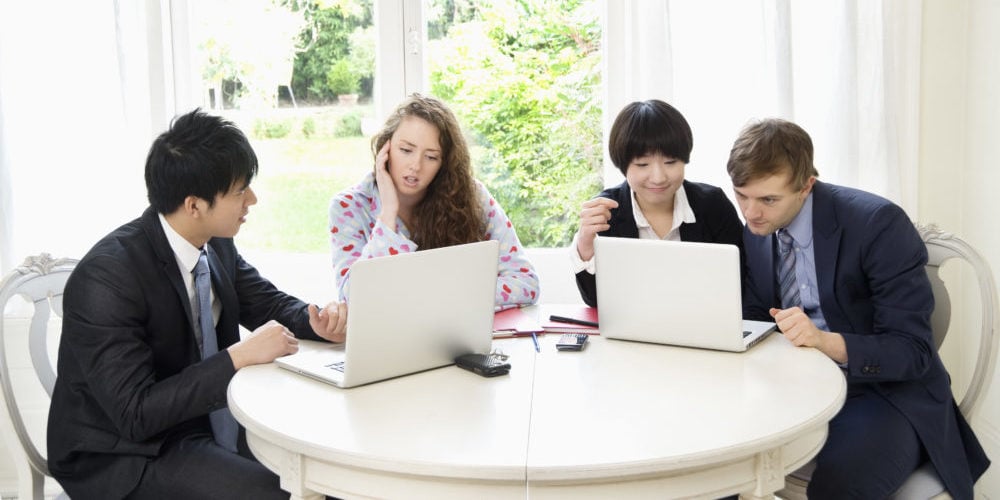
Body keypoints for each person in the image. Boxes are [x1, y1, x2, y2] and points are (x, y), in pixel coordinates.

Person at [47, 109, 348, 500]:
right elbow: (135, 415)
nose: (252, 200)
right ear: (194, 205)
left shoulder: (215, 241)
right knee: (281, 493)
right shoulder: (108, 278)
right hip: (123, 453)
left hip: (200, 420)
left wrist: (316, 321)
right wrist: (237, 358)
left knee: (328, 471)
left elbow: (262, 300)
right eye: (240, 190)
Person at [727, 118, 990, 499]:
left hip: (882, 394)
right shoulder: (757, 227)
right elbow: (755, 312)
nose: (750, 213)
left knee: (840, 487)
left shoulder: (877, 224)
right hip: (794, 387)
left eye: (768, 199)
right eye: (741, 195)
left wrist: (823, 341)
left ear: (806, 186)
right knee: (715, 460)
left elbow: (912, 351)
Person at [328, 93, 539, 309]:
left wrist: (439, 295)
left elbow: (526, 283)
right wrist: (388, 214)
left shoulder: (472, 195)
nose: (416, 166)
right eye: (406, 150)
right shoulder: (348, 206)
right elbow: (354, 300)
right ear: (385, 147)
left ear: (444, 163)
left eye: (431, 157)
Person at [572, 99, 744, 306]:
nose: (658, 177)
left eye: (670, 162)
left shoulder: (712, 205)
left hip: (702, 326)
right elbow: (595, 301)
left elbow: (741, 283)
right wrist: (585, 244)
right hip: (632, 333)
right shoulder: (607, 212)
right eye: (642, 164)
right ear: (623, 165)